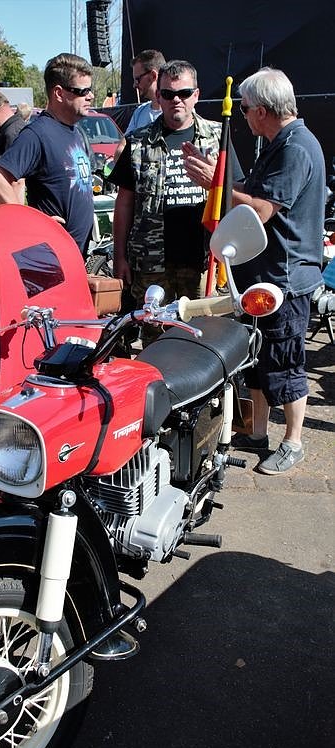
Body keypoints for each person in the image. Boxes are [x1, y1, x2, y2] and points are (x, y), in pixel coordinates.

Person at [184, 67, 325, 475]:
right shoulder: (280, 143)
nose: (243, 115)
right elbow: (254, 193)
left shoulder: (295, 148)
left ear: (262, 110)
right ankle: (259, 432)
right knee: (262, 361)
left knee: (285, 363)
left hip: (283, 279)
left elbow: (260, 210)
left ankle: (293, 441)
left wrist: (216, 185)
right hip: (266, 275)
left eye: (245, 109)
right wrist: (217, 177)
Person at [109, 59, 244, 308]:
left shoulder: (218, 137)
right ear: (159, 96)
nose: (176, 100)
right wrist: (119, 257)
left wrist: (213, 180)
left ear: (196, 95)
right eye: (169, 94)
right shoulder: (137, 141)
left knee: (200, 337)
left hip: (203, 262)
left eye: (184, 93)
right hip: (151, 263)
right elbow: (125, 202)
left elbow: (237, 195)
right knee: (154, 338)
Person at [0, 52, 95, 257]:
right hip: (49, 260)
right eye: (82, 91)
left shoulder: (76, 131)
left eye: (90, 90)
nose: (90, 96)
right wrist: (29, 226)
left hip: (74, 257)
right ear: (59, 93)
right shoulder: (37, 134)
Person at [113, 49, 166, 162]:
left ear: (153, 76)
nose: (134, 85)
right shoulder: (139, 112)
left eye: (137, 79)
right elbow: (120, 150)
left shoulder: (177, 112)